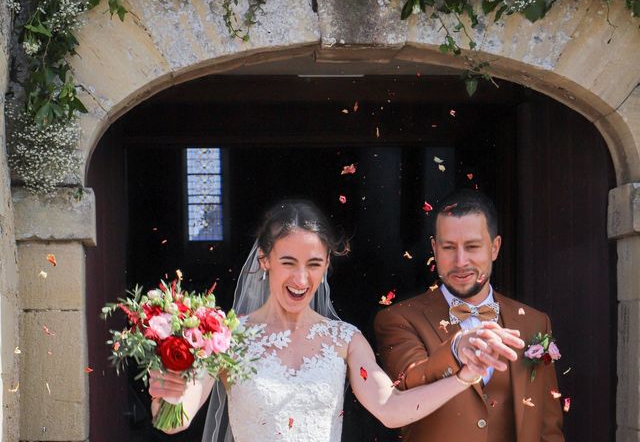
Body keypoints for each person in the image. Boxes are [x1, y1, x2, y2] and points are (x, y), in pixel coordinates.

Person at [149, 200, 524, 441]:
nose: (301, 279)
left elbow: (391, 410)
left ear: (327, 264)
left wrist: (464, 377)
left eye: (314, 264)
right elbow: (173, 421)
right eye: (288, 263)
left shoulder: (344, 339)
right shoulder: (225, 336)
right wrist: (165, 392)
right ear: (264, 260)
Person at [374, 189, 565, 441]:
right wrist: (455, 349)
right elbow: (409, 380)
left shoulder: (535, 322)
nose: (460, 261)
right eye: (448, 247)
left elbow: (547, 426)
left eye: (472, 246)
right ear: (434, 248)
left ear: (495, 247)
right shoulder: (397, 319)